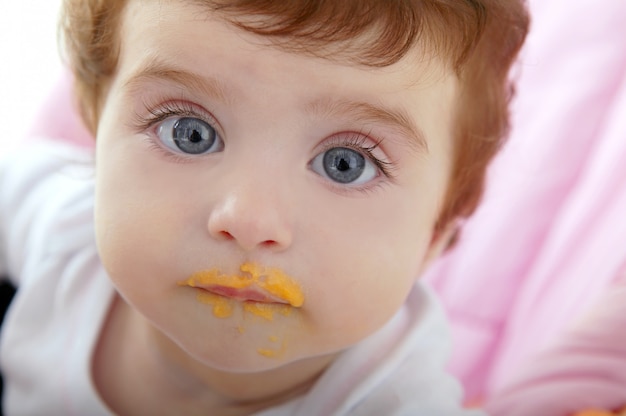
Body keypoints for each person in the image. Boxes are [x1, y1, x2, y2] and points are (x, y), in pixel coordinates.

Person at [0, 0, 528, 414]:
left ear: (435, 235)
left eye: (345, 163)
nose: (249, 220)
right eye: (191, 133)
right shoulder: (62, 232)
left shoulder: (393, 402)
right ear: (96, 133)